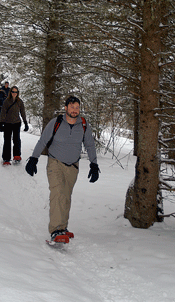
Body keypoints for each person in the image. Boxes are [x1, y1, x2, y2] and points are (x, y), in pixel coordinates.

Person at [25, 95, 100, 243]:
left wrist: (94, 164)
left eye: (77, 107)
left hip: (73, 166)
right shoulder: (56, 122)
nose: (74, 110)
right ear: (66, 108)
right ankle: (55, 230)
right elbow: (43, 140)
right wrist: (34, 158)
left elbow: (90, 145)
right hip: (55, 163)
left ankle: (63, 227)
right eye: (71, 107)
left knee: (66, 196)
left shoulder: (83, 125)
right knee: (57, 193)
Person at [0, 86, 29, 165]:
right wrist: (1, 123)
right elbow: (3, 112)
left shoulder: (20, 101)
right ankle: (6, 158)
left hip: (16, 123)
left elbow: (23, 112)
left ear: (17, 93)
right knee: (7, 141)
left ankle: (17, 155)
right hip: (7, 123)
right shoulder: (6, 101)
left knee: (16, 140)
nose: (14, 93)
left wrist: (25, 122)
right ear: (10, 92)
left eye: (16, 92)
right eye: (13, 91)